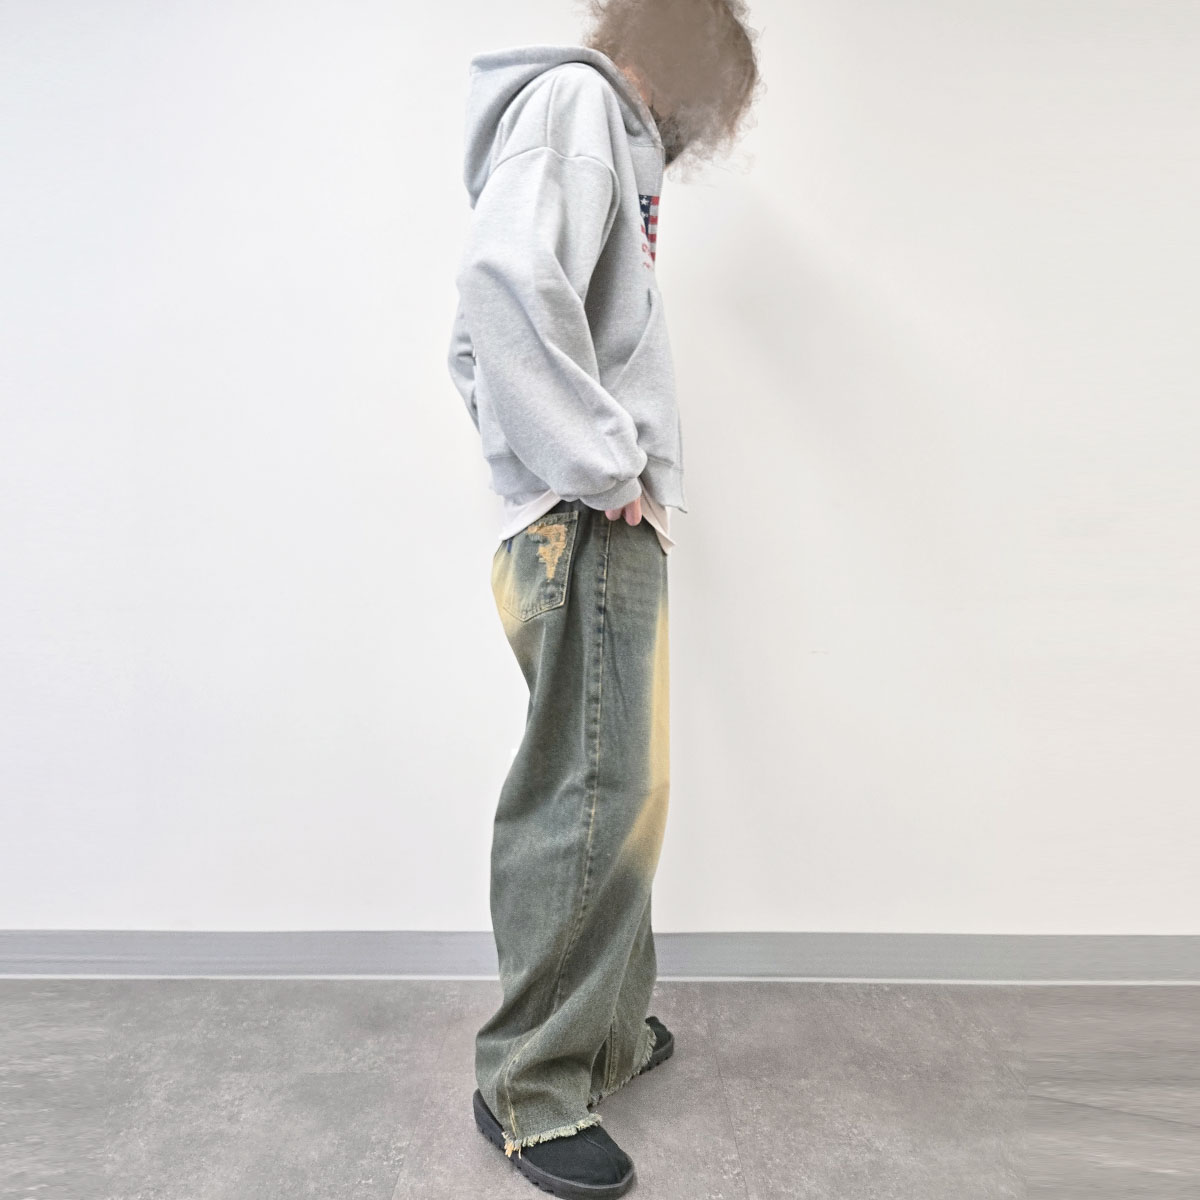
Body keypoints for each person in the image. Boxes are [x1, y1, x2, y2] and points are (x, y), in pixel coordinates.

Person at [447, 4, 761, 1195]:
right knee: (590, 796)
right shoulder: (576, 104)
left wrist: (588, 465)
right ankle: (529, 1088)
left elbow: (472, 345)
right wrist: (597, 465)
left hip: (594, 515)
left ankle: (604, 1036)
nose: (708, 122)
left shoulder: (600, 135)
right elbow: (499, 286)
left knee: (624, 791)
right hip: (585, 520)